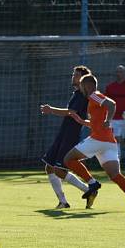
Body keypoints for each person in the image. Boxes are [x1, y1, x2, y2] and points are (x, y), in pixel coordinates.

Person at [63, 74, 125, 212]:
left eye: (82, 86)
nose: (81, 89)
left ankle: (92, 183)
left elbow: (111, 104)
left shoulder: (94, 95)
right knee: (115, 175)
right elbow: (97, 122)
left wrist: (109, 119)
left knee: (68, 159)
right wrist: (82, 121)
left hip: (98, 140)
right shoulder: (94, 99)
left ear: (87, 86)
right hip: (109, 143)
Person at [39, 65, 94, 209]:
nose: (73, 76)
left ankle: (88, 189)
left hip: (70, 136)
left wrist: (51, 110)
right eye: (73, 74)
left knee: (59, 170)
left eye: (76, 75)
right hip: (63, 133)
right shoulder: (77, 94)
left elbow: (71, 112)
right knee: (49, 167)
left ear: (82, 79)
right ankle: (63, 202)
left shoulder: (82, 95)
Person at [104, 65, 125, 173]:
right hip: (114, 118)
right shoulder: (110, 87)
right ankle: (117, 167)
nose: (119, 73)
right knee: (116, 141)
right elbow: (106, 102)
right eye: (117, 71)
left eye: (121, 71)